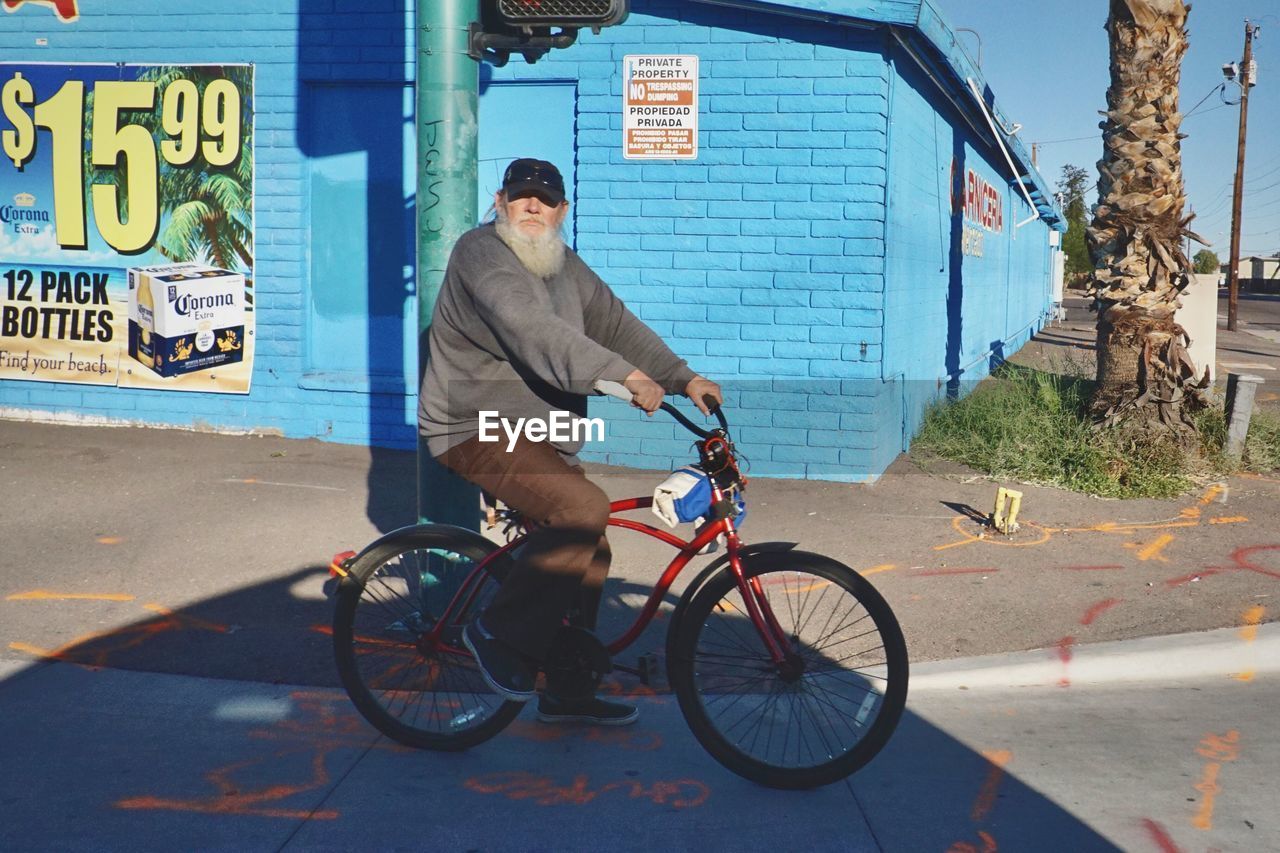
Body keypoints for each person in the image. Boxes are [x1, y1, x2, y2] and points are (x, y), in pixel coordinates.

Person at [419, 158, 722, 726]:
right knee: (582, 509)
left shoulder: (565, 266)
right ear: (500, 202)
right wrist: (625, 377)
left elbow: (619, 326)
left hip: (538, 436)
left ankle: (566, 689)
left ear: (562, 210)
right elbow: (532, 328)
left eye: (545, 198)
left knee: (590, 550)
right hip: (472, 427)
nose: (532, 206)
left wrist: (683, 377)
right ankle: (495, 635)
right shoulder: (482, 253)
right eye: (521, 195)